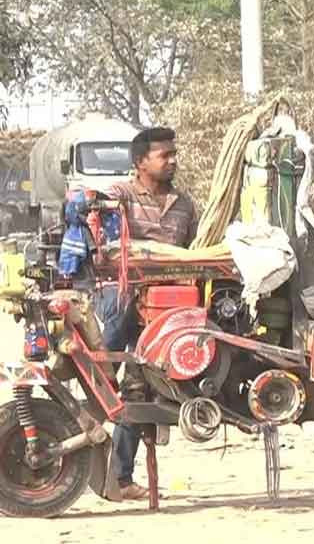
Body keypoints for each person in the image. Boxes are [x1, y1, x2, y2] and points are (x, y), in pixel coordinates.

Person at [101, 127, 199, 501]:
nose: (172, 160)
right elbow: (101, 226)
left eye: (174, 154)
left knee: (138, 389)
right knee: (107, 367)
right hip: (123, 297)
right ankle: (99, 379)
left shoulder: (184, 204)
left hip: (162, 309)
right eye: (164, 155)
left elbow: (193, 252)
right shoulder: (120, 195)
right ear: (141, 162)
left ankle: (121, 480)